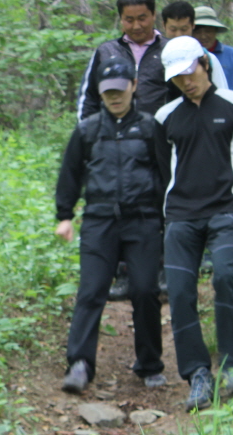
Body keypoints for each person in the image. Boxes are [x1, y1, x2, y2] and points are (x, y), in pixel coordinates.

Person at [154, 36, 233, 410]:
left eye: (190, 72)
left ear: (204, 63)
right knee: (180, 291)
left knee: (226, 276)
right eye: (177, 77)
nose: (185, 82)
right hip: (180, 216)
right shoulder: (165, 117)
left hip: (225, 211)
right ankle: (197, 374)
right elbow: (163, 169)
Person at [55, 57, 166, 394]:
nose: (114, 97)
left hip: (143, 220)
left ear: (133, 86)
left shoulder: (150, 128)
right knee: (91, 291)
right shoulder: (87, 130)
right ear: (99, 93)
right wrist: (64, 216)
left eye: (120, 89)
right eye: (107, 92)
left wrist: (168, 218)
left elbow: (166, 176)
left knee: (145, 290)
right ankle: (79, 363)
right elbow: (70, 174)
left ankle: (149, 364)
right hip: (99, 221)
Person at [77, 0, 171, 120]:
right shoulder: (106, 51)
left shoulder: (169, 50)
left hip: (159, 129)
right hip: (114, 130)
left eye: (142, 19)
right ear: (121, 19)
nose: (136, 26)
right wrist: (87, 130)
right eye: (129, 20)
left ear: (154, 15)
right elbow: (89, 98)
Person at [192, 5, 233, 101]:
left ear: (216, 31)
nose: (203, 36)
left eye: (208, 31)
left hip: (230, 108)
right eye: (198, 32)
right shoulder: (188, 58)